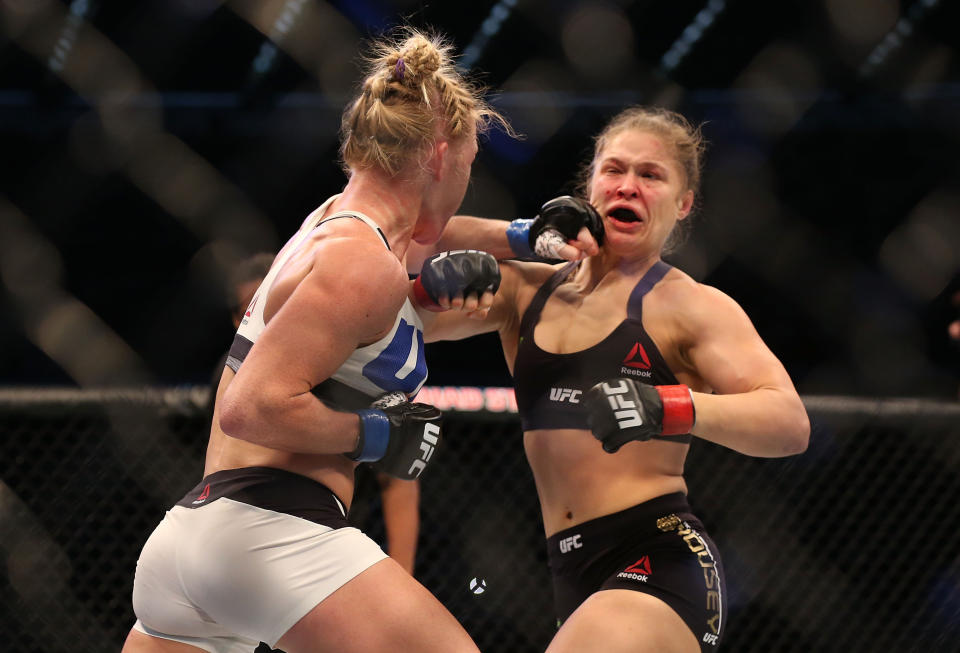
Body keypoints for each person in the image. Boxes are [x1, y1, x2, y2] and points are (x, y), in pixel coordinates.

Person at [122, 28, 508, 653]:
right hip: (270, 533)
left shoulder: (331, 224)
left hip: (193, 541)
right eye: (466, 165)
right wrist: (375, 436)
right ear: (439, 158)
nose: (465, 180)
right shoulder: (362, 263)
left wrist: (519, 236)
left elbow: (417, 258)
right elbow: (250, 407)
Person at [417, 106, 811, 653]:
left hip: (660, 559)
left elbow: (789, 423)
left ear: (683, 203)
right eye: (615, 170)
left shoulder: (691, 307)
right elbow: (410, 232)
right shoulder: (527, 290)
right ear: (590, 187)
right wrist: (521, 235)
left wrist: (666, 406)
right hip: (565, 572)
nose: (629, 185)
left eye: (651, 175)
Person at [214, 252, 423, 577]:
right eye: (258, 310)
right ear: (241, 320)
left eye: (288, 303)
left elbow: (396, 479)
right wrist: (366, 432)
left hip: (335, 536)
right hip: (247, 530)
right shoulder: (233, 376)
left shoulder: (348, 359)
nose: (277, 317)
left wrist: (404, 573)